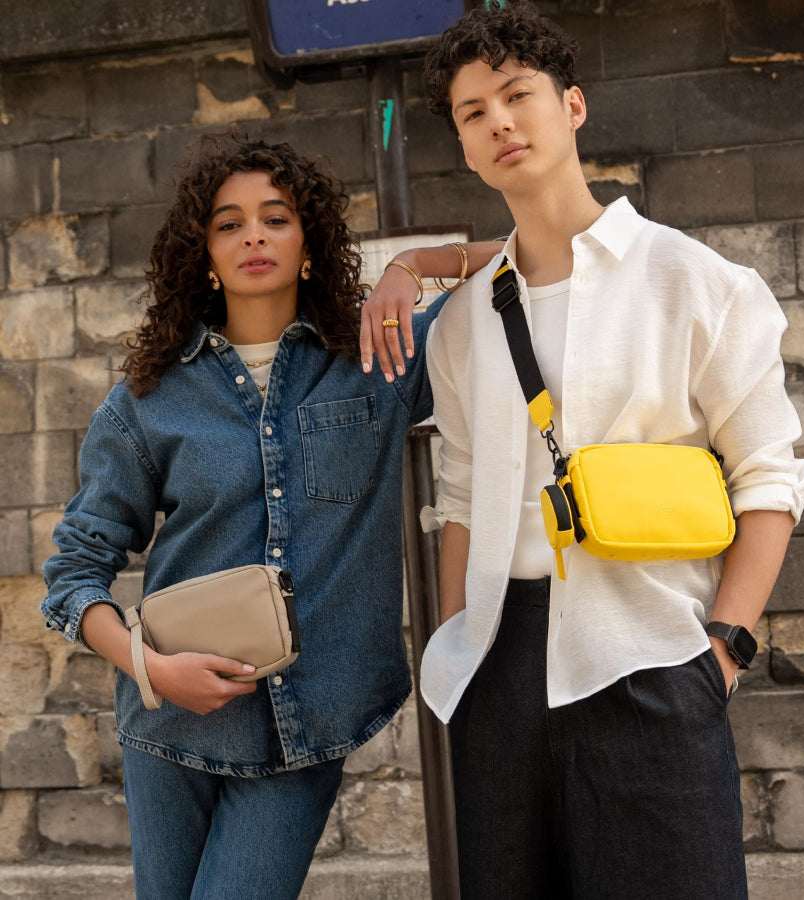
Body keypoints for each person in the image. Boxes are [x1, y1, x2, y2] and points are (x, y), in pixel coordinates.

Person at [362, 2, 804, 897]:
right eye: (471, 113)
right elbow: (459, 495)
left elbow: (770, 475)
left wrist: (723, 649)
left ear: (571, 106)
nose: (498, 122)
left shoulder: (695, 281)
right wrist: (460, 645)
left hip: (652, 653)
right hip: (498, 671)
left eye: (515, 95)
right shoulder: (460, 324)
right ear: (462, 144)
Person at [40, 132, 497, 899]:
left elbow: (548, 258)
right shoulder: (147, 401)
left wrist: (413, 266)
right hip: (169, 726)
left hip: (311, 721)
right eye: (229, 223)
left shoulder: (378, 357)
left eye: (276, 217)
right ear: (205, 254)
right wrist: (150, 668)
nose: (253, 234)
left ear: (309, 242)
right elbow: (74, 574)